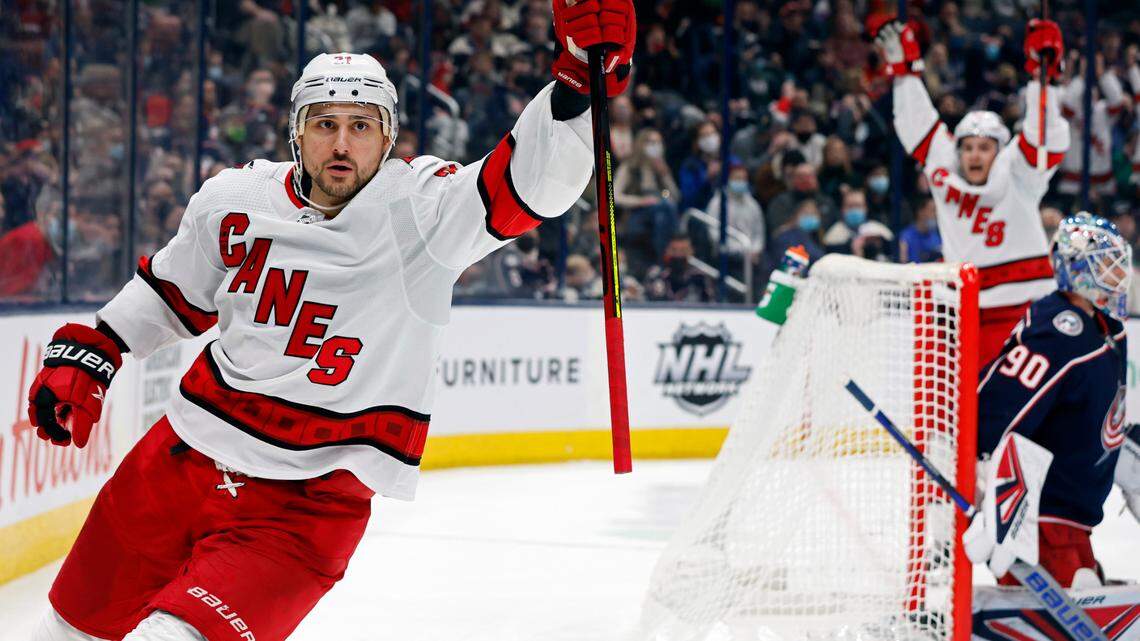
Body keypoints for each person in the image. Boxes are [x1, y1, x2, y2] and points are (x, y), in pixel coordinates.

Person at [27, 2, 636, 639]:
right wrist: (91, 348)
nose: (341, 144)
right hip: (175, 463)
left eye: (360, 125)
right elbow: (171, 290)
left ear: (388, 135)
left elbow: (524, 187)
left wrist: (572, 85)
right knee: (62, 635)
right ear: (297, 131)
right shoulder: (235, 199)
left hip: (301, 509)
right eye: (324, 124)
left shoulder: (421, 211)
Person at [876, 19, 1069, 367]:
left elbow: (1045, 140)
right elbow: (916, 124)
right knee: (967, 410)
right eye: (967, 147)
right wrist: (905, 75)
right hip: (966, 314)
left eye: (984, 147)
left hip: (1027, 310)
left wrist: (1044, 82)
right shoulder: (944, 171)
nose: (975, 155)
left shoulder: (1017, 172)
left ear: (998, 150)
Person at [967, 213, 1130, 588]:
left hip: (1075, 523)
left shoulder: (1107, 331)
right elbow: (997, 405)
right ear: (1078, 269)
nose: (1118, 273)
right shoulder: (1059, 328)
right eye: (1106, 263)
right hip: (1038, 526)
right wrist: (987, 489)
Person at [613, 128, 681, 266]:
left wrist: (665, 175)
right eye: (651, 142)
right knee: (665, 207)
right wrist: (641, 201)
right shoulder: (630, 167)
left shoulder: (661, 168)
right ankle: (673, 244)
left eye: (658, 142)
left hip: (659, 212)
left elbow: (676, 197)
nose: (656, 146)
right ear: (641, 144)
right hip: (636, 214)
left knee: (662, 214)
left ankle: (661, 258)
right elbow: (615, 196)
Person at [898, 196, 942, 263]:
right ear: (921, 212)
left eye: (936, 211)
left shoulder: (935, 236)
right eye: (933, 210)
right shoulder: (906, 236)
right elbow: (903, 262)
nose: (936, 214)